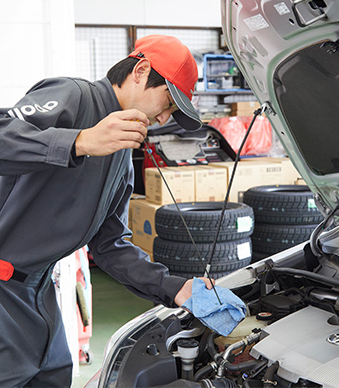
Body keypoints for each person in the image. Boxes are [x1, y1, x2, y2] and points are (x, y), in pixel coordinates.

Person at [0, 34, 214, 387]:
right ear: (141, 71)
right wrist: (80, 141)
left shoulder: (120, 158)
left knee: (53, 377)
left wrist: (173, 287)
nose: (163, 118)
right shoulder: (74, 97)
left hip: (41, 294)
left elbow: (110, 245)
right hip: (5, 289)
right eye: (167, 102)